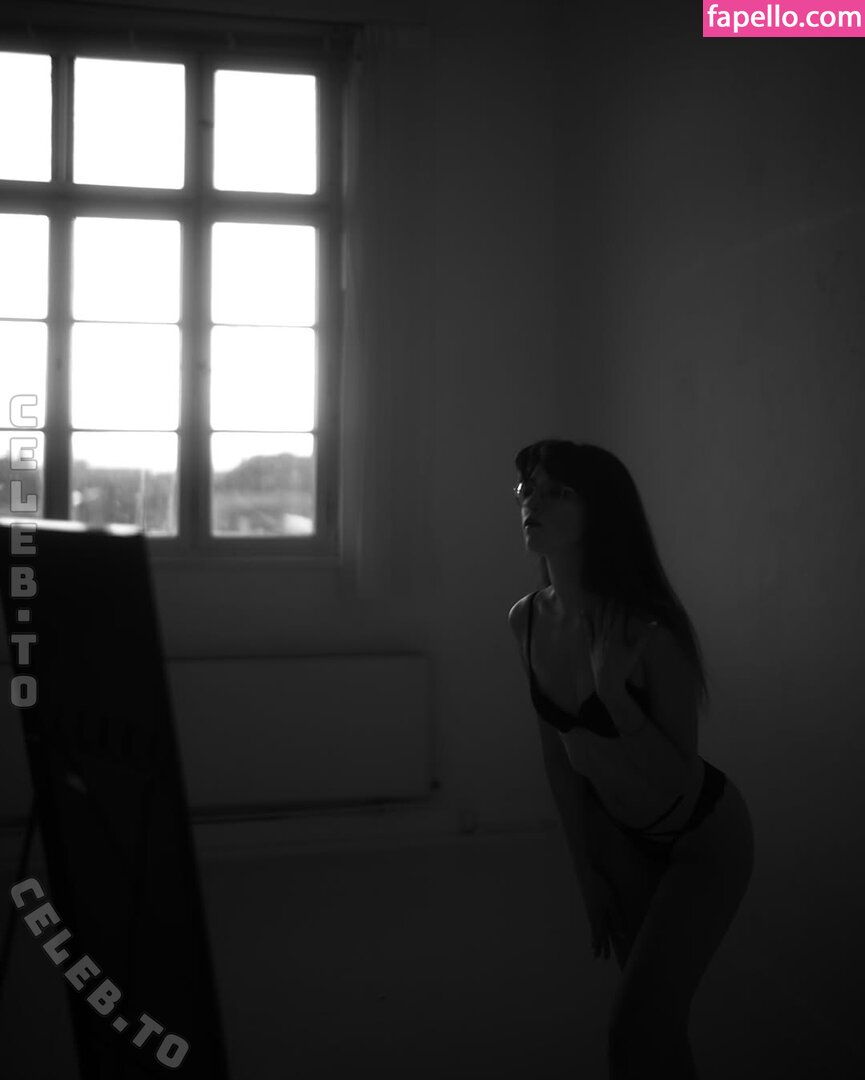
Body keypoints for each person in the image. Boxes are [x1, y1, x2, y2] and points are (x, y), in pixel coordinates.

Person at [507, 439, 754, 1080]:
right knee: (654, 1029)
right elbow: (558, 757)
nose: (533, 501)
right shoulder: (525, 621)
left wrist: (615, 697)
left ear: (602, 513)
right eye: (528, 489)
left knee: (634, 1029)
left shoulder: (648, 632)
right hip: (619, 835)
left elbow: (677, 777)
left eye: (558, 491)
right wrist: (585, 872)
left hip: (703, 839)